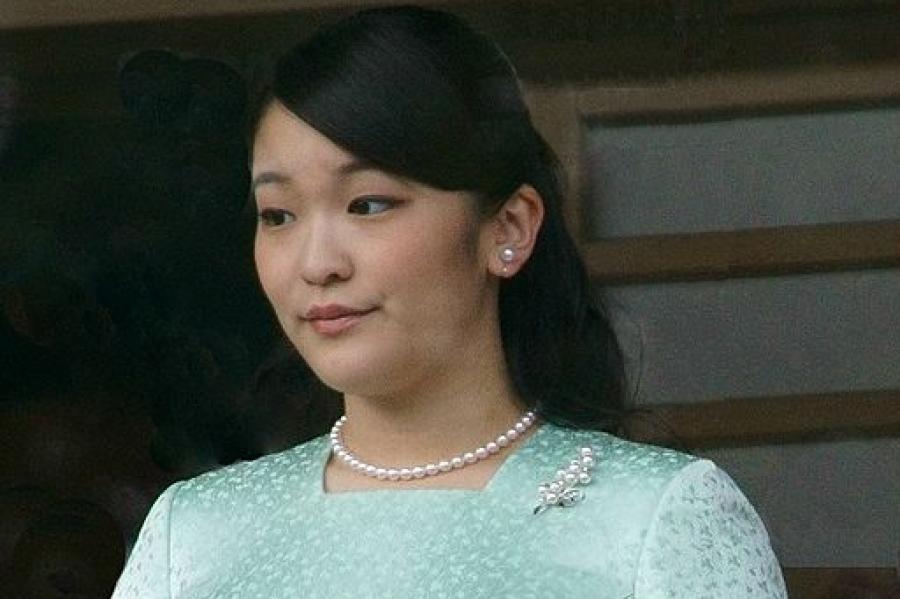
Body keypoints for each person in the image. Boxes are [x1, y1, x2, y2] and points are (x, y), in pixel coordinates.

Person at [112, 6, 787, 598]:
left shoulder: (652, 518)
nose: (316, 264)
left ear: (509, 228)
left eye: (367, 204)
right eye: (278, 215)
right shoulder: (194, 535)